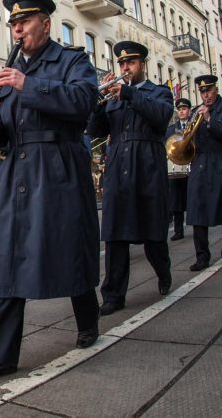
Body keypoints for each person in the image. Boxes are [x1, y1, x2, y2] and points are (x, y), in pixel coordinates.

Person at [0, 0, 100, 382]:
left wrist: (27, 84)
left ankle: (87, 319)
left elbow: (82, 104)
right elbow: (3, 137)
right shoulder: (9, 73)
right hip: (18, 173)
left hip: (59, 168)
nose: (18, 29)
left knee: (68, 244)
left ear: (46, 24)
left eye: (25, 22)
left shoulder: (72, 60)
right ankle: (2, 355)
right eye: (13, 24)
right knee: (8, 258)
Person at [87, 41, 173, 315]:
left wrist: (128, 93)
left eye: (131, 63)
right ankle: (113, 294)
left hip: (147, 166)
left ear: (142, 65)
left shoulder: (159, 92)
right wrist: (98, 103)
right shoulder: (112, 97)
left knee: (153, 233)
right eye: (122, 64)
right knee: (114, 234)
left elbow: (161, 118)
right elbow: (95, 130)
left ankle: (163, 271)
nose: (126, 68)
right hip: (118, 167)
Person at [186, 75, 222, 270]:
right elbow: (189, 140)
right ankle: (202, 256)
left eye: (208, 90)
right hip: (201, 163)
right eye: (202, 91)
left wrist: (209, 119)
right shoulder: (195, 111)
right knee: (197, 210)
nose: (205, 95)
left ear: (215, 89)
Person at [166, 98, 193, 240]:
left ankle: (197, 225)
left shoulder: (194, 126)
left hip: (192, 166)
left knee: (193, 198)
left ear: (189, 110)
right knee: (176, 201)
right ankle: (178, 230)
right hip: (176, 168)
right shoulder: (171, 129)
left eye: (184, 109)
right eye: (180, 109)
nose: (182, 111)